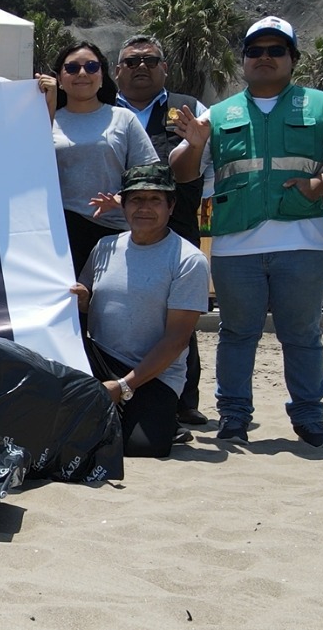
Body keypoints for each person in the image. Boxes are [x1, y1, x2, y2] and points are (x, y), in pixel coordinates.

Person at [170, 15, 323, 449]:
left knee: (303, 335)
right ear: (243, 61)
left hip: (305, 241)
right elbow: (182, 175)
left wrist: (318, 185)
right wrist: (196, 144)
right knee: (236, 334)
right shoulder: (216, 114)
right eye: (255, 51)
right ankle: (233, 417)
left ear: (293, 58)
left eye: (276, 50)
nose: (265, 57)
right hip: (236, 244)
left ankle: (310, 419)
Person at [73, 163, 208, 457]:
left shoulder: (188, 260)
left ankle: (165, 421)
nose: (144, 208)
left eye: (155, 200)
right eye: (136, 199)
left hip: (153, 374)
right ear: (124, 205)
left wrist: (122, 386)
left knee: (144, 447)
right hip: (99, 360)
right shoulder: (104, 246)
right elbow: (85, 297)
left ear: (171, 206)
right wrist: (81, 298)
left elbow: (177, 340)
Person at [114, 34, 211, 426]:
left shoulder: (189, 109)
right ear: (117, 70)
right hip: (106, 226)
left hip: (176, 224)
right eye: (132, 61)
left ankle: (184, 400)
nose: (142, 67)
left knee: (177, 318)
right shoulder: (97, 105)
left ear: (165, 68)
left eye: (151, 60)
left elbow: (203, 166)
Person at [50, 42, 159, 275]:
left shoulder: (124, 119)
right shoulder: (45, 121)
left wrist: (123, 199)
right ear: (59, 78)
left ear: (102, 76)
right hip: (59, 236)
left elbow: (152, 175)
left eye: (91, 67)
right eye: (72, 68)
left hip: (115, 232)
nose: (82, 73)